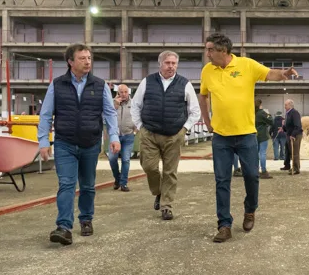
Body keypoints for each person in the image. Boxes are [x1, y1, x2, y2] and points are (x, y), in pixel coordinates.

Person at [198, 33, 297, 243]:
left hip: (246, 135)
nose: (206, 53)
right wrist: (207, 121)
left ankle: (250, 210)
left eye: (210, 49)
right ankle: (224, 224)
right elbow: (203, 95)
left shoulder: (246, 65)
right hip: (221, 137)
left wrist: (284, 74)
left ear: (223, 51)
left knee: (252, 176)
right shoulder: (207, 70)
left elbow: (269, 74)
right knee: (222, 181)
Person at [38, 43, 120, 246]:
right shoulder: (57, 85)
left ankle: (86, 219)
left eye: (89, 58)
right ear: (70, 62)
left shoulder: (100, 85)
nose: (87, 62)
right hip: (65, 143)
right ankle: (64, 227)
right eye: (82, 58)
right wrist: (43, 142)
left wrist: (114, 137)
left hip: (90, 143)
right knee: (66, 183)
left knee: (87, 185)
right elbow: (46, 115)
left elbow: (109, 113)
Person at [131, 51, 200, 221]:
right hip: (150, 134)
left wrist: (184, 130)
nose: (171, 66)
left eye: (174, 63)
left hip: (173, 136)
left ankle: (166, 206)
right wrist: (140, 127)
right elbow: (135, 105)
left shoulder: (185, 84)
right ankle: (158, 192)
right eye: (168, 63)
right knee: (149, 167)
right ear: (160, 64)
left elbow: (195, 111)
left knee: (170, 172)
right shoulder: (147, 81)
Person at [109, 84, 135, 192]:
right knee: (112, 159)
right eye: (121, 92)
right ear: (118, 93)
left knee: (125, 160)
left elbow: (138, 115)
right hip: (115, 137)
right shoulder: (111, 102)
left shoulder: (133, 103)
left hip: (128, 135)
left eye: (125, 92)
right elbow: (107, 116)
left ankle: (123, 183)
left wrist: (135, 129)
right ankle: (117, 178)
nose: (123, 94)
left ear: (128, 92)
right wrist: (115, 105)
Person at [281, 99, 303, 174]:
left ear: (290, 105)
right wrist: (283, 127)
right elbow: (288, 126)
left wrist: (293, 135)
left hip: (295, 135)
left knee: (295, 152)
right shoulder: (288, 113)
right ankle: (290, 166)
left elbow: (298, 125)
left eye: (286, 105)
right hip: (289, 135)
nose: (284, 106)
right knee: (289, 151)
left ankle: (296, 169)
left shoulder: (294, 113)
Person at [255, 100, 273, 179]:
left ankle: (255, 170)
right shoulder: (261, 112)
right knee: (262, 153)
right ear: (260, 105)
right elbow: (271, 121)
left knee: (255, 154)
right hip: (262, 135)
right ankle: (264, 171)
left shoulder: (252, 113)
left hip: (254, 135)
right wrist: (267, 113)